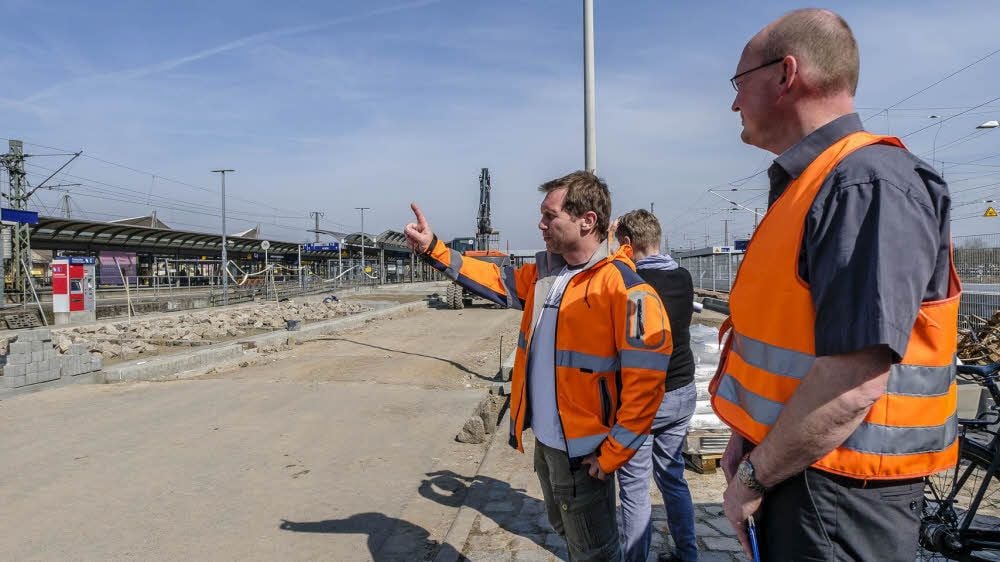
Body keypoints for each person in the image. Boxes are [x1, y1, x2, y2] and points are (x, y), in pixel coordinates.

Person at [713, 8, 960, 561]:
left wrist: (753, 477)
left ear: (786, 75)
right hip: (801, 471)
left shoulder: (865, 184)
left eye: (738, 83)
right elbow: (794, 345)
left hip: (841, 496)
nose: (732, 103)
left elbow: (853, 379)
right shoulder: (817, 184)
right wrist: (746, 440)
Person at [404, 171, 673, 562]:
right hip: (549, 446)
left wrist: (613, 454)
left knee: (595, 552)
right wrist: (435, 250)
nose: (540, 224)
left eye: (550, 216)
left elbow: (646, 385)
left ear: (587, 220)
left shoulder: (626, 289)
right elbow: (494, 278)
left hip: (585, 454)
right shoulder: (550, 275)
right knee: (569, 533)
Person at [613, 210, 698, 562]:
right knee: (673, 477)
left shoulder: (628, 284)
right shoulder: (682, 277)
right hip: (683, 391)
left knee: (634, 488)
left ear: (627, 245)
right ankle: (688, 554)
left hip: (643, 400)